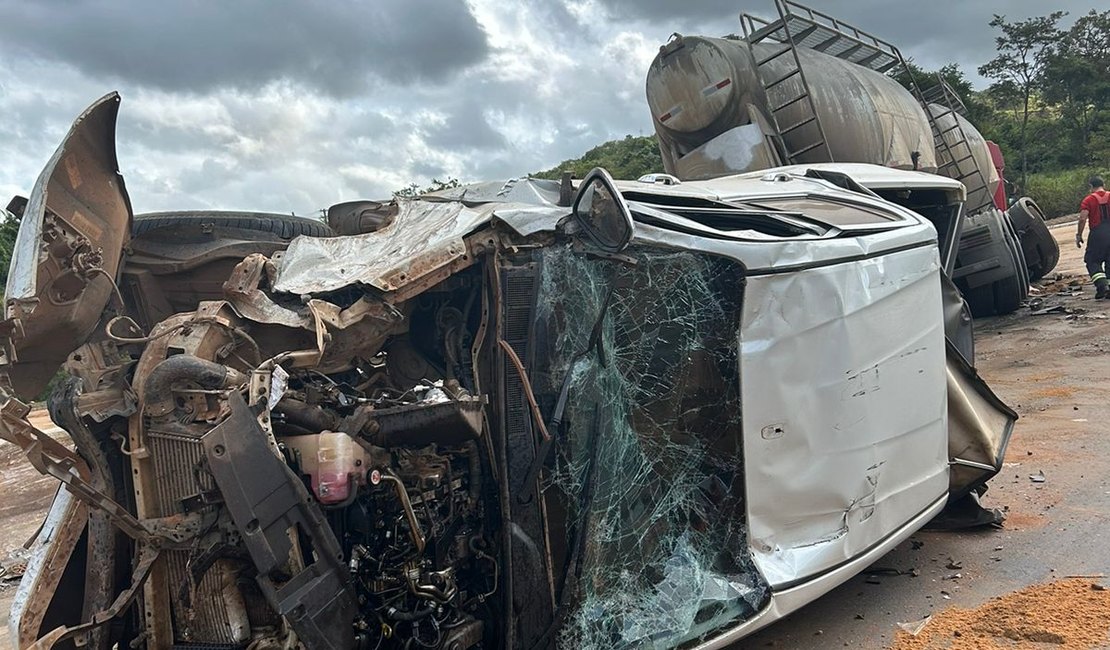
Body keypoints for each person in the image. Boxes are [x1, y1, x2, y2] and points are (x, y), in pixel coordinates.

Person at [1076, 176, 1110, 299]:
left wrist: (1079, 235)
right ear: (1103, 184)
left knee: (1092, 260)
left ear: (1091, 187)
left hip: (1097, 234)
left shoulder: (1089, 200)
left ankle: (1102, 286)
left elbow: (1082, 218)